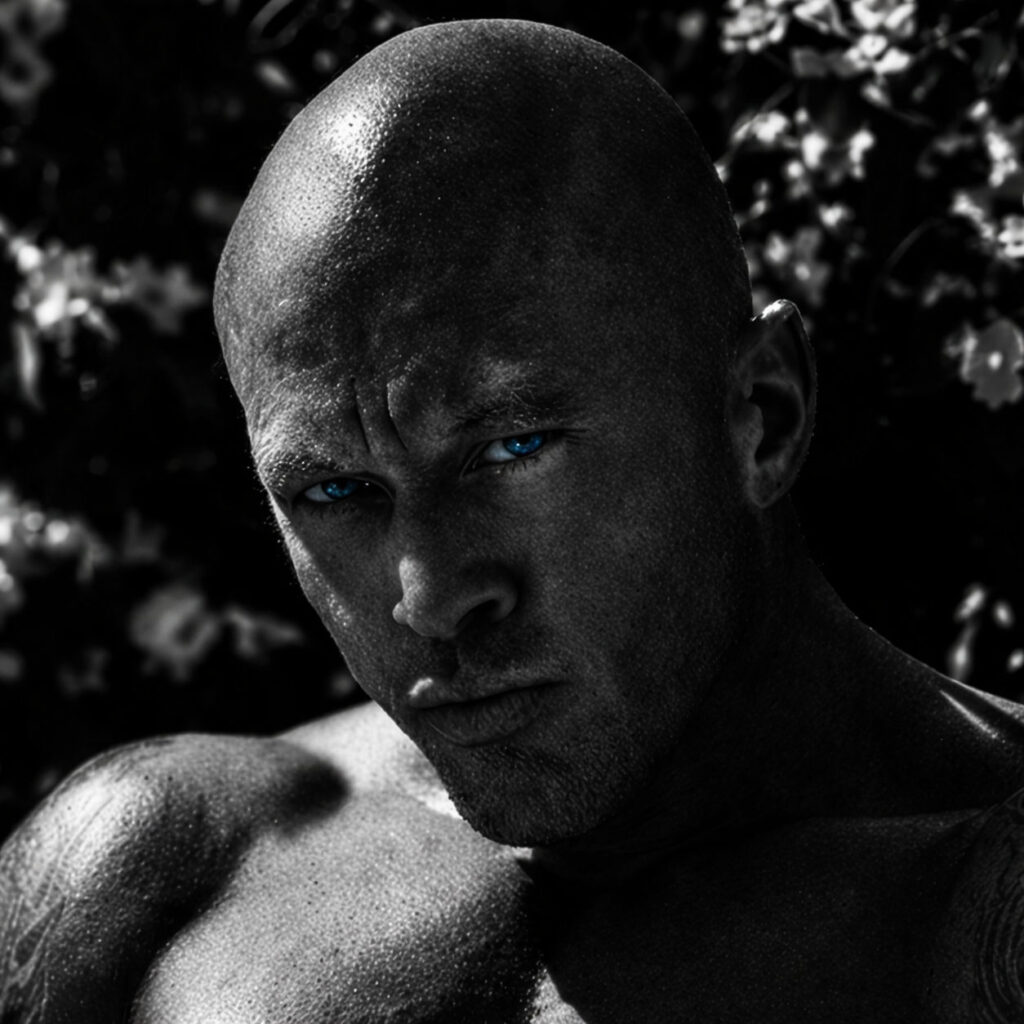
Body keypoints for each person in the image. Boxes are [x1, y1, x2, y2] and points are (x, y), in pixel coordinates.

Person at [2, 17, 1023, 1022]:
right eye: (335, 492)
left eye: (510, 447)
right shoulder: (149, 877)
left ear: (762, 415)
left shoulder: (983, 910)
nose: (431, 596)